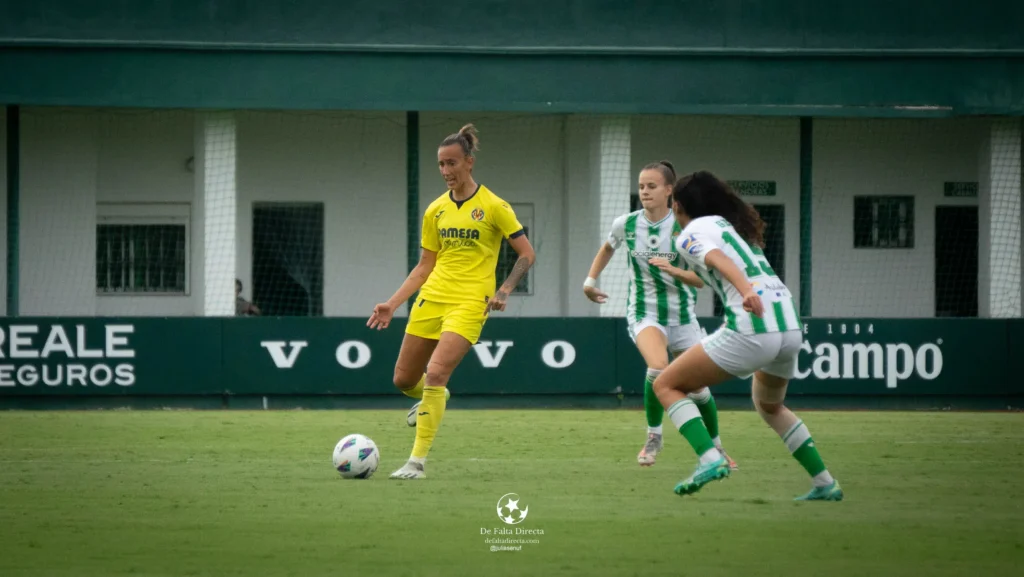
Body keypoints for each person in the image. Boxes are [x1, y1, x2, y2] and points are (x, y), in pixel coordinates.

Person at [654, 170, 842, 501]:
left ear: (680, 205)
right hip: (788, 324)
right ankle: (825, 482)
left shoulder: (690, 233)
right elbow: (712, 270)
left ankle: (710, 458)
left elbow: (718, 260)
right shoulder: (730, 228)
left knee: (665, 385)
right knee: (770, 406)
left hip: (753, 325)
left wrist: (745, 292)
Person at [367, 124, 535, 480]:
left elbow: (526, 253)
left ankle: (416, 462)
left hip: (471, 301)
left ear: (469, 163)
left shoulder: (494, 206)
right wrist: (393, 303)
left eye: (452, 163)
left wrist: (504, 289)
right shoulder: (436, 211)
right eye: (441, 165)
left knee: (438, 373)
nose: (446, 171)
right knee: (403, 379)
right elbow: (425, 265)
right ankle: (433, 400)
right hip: (432, 297)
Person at [583, 161, 736, 469]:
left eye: (652, 186)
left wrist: (673, 269)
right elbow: (607, 248)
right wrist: (590, 281)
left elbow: (703, 280)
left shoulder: (686, 228)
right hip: (644, 311)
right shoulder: (626, 224)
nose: (645, 192)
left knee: (698, 389)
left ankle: (717, 446)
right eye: (641, 186)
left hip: (682, 315)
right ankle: (654, 437)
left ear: (669, 191)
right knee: (658, 367)